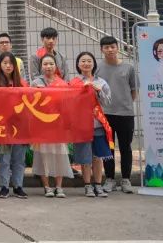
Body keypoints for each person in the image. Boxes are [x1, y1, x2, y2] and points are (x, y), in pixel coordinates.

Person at [70, 51, 113, 198]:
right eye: (83, 61)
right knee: (85, 157)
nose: (86, 63)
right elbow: (69, 103)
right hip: (81, 125)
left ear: (94, 64)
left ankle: (98, 185)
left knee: (98, 156)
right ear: (78, 64)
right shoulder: (74, 82)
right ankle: (87, 185)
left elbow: (107, 102)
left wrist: (98, 90)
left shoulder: (101, 82)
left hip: (98, 124)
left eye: (89, 61)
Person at [98, 35, 137, 194]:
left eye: (113, 47)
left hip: (125, 114)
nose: (110, 50)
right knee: (108, 148)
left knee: (125, 147)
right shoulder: (98, 68)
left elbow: (134, 91)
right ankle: (110, 179)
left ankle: (126, 179)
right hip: (105, 114)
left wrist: (124, 104)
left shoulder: (128, 68)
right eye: (106, 47)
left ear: (117, 48)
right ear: (102, 50)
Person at [31, 53, 74, 198]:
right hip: (41, 125)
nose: (48, 66)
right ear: (41, 67)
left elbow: (68, 105)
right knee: (43, 155)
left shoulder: (62, 84)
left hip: (58, 125)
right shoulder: (35, 83)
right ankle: (47, 187)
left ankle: (59, 186)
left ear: (56, 66)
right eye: (45, 64)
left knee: (59, 155)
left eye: (51, 64)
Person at [0, 52, 29, 199]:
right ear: (0, 65)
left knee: (19, 158)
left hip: (20, 125)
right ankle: (4, 186)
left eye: (11, 63)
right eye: (5, 63)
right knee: (4, 158)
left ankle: (18, 186)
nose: (8, 66)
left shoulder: (22, 84)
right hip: (2, 126)